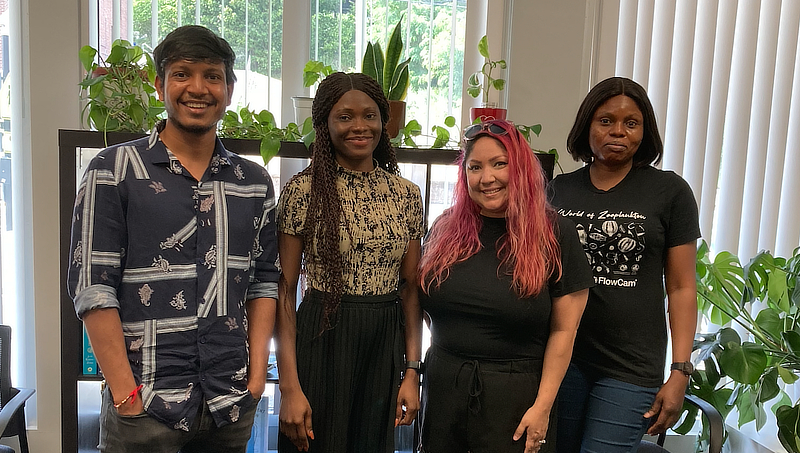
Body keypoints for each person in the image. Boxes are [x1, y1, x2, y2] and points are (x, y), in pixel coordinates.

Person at [67, 25, 279, 453]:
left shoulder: (253, 182)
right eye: (182, 74)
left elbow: (263, 282)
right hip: (145, 409)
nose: (197, 88)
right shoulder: (113, 170)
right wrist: (127, 395)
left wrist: (256, 379)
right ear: (160, 84)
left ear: (229, 89)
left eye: (212, 76)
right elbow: (93, 287)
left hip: (229, 405)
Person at [417, 119, 593, 453]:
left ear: (522, 168)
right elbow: (429, 305)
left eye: (500, 164)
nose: (487, 178)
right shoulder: (444, 229)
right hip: (443, 388)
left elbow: (564, 333)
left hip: (516, 399)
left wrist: (542, 408)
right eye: (475, 167)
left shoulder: (555, 235)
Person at [275, 72, 424, 453]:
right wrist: (289, 387)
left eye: (370, 115)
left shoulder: (406, 194)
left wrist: (412, 370)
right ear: (324, 123)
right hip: (322, 338)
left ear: (383, 121)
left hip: (382, 341)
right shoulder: (302, 190)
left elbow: (409, 289)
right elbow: (285, 290)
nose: (359, 126)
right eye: (344, 116)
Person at [550, 77, 700, 453]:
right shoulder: (556, 191)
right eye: (605, 121)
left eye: (631, 123)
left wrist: (680, 371)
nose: (618, 131)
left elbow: (681, 288)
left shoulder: (670, 192)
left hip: (630, 366)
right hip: (562, 359)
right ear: (587, 126)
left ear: (644, 131)